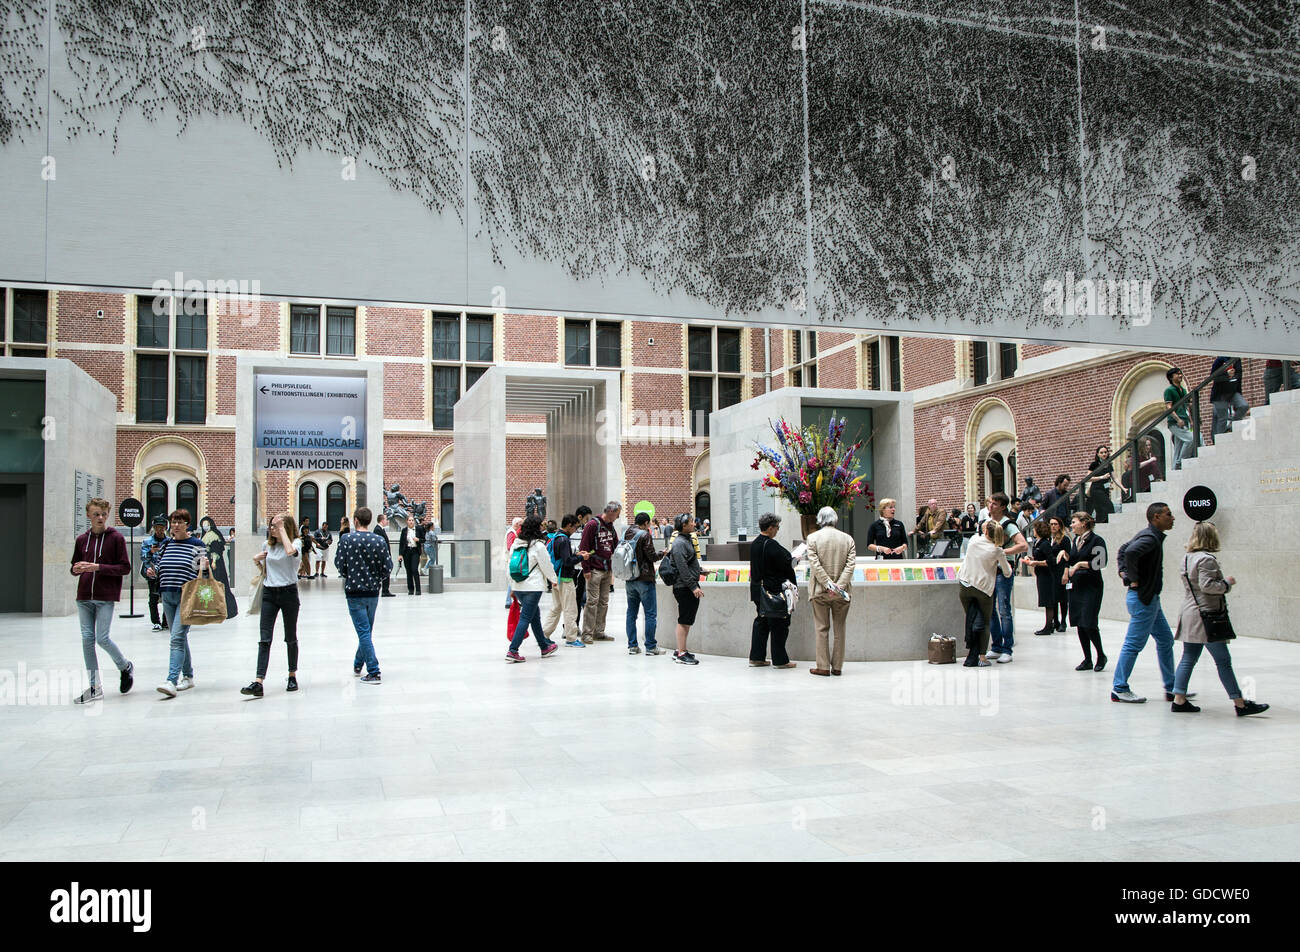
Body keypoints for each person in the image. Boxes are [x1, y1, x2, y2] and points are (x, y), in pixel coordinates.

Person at [1170, 521, 1269, 716]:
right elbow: (1208, 586)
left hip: (1191, 611)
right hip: (1206, 617)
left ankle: (1179, 699)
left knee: (1188, 657)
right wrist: (1226, 583)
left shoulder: (1187, 557)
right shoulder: (1207, 559)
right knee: (1223, 661)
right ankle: (1240, 704)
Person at [1111, 502, 1179, 704]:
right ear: (1156, 517)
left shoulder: (1148, 535)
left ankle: (1172, 687)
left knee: (1166, 639)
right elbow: (1130, 552)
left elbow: (1123, 549)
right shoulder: (1150, 538)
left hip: (1148, 599)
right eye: (1168, 514)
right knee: (1133, 644)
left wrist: (1124, 572)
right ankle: (1119, 687)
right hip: (1143, 599)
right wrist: (1131, 577)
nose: (1172, 518)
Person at [70, 497, 134, 704]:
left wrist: (98, 567)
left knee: (102, 638)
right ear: (88, 515)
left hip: (105, 596)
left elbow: (125, 568)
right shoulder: (81, 540)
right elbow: (74, 566)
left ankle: (124, 666)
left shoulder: (116, 538)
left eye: (103, 514)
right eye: (96, 514)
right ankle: (94, 686)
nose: (100, 518)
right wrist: (76, 569)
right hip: (84, 597)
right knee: (87, 640)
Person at [147, 509, 209, 698]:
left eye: (179, 522)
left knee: (176, 637)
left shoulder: (196, 544)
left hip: (186, 596)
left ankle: (171, 680)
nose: (175, 525)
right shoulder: (167, 544)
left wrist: (205, 566)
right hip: (167, 594)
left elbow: (202, 572)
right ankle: (188, 677)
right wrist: (154, 571)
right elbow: (160, 564)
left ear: (187, 525)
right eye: (173, 522)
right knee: (179, 637)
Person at [242, 513, 302, 698]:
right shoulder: (266, 545)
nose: (272, 528)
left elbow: (291, 553)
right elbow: (266, 571)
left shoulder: (296, 544)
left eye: (275, 526)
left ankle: (292, 675)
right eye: (271, 525)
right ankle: (259, 681)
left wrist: (282, 529)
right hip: (269, 593)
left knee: (290, 636)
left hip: (289, 593)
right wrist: (256, 561)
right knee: (264, 638)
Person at [335, 507, 391, 684]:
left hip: (354, 592)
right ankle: (358, 663)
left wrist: (349, 575)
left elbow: (339, 563)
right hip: (373, 592)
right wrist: (376, 579)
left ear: (356, 521)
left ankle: (374, 671)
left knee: (364, 631)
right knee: (366, 630)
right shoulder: (379, 540)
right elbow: (387, 567)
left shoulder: (347, 539)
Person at [806, 506, 855, 677]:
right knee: (840, 629)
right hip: (842, 593)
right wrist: (838, 586)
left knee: (822, 628)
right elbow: (850, 566)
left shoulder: (812, 538)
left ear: (820, 519)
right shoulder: (848, 539)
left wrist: (828, 585)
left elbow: (815, 565)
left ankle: (823, 666)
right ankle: (838, 667)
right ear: (835, 519)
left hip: (820, 591)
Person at [504, 515, 560, 663]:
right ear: (537, 528)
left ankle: (544, 647)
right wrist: (554, 580)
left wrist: (513, 587)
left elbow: (510, 565)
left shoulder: (517, 543)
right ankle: (513, 650)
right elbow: (546, 565)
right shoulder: (538, 546)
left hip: (518, 585)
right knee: (525, 618)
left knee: (534, 616)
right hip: (533, 587)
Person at [956, 521, 1012, 667]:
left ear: (986, 531)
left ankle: (971, 652)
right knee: (985, 623)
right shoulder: (997, 550)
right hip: (983, 589)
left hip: (965, 585)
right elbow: (1007, 572)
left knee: (971, 618)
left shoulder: (973, 541)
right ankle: (981, 656)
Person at [748, 512, 797, 669]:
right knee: (779, 623)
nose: (777, 530)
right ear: (769, 528)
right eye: (776, 527)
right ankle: (780, 660)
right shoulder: (771, 544)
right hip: (772, 591)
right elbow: (787, 562)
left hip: (757, 590)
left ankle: (756, 657)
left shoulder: (755, 543)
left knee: (762, 622)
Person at [984, 492, 1028, 663]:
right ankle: (996, 645)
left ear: (1003, 506)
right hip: (989, 569)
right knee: (990, 609)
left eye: (995, 503)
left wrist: (1003, 552)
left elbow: (1022, 544)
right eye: (990, 503)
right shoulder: (986, 523)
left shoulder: (1008, 525)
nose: (991, 506)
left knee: (1003, 609)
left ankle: (1007, 648)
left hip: (1003, 570)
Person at [1064, 511, 1107, 672]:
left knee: (1089, 622)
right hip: (1076, 586)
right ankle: (1087, 658)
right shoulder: (1075, 540)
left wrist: (1080, 564)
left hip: (1091, 586)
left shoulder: (1097, 540)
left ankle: (1100, 655)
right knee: (1079, 623)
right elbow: (1073, 560)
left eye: (1074, 522)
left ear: (1084, 523)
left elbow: (1101, 562)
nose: (1072, 525)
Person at [579, 501, 621, 644]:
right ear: (611, 512)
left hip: (607, 569)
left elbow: (615, 545)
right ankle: (587, 633)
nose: (618, 516)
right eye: (617, 514)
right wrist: (586, 569)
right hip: (594, 569)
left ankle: (599, 631)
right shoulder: (592, 525)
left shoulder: (611, 527)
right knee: (592, 602)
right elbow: (583, 547)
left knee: (604, 602)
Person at [623, 511, 662, 655]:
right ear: (646, 523)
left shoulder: (627, 532)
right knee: (650, 614)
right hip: (644, 579)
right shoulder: (645, 535)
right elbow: (651, 556)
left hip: (630, 579)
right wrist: (662, 553)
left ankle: (632, 646)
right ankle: (651, 647)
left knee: (631, 614)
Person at [667, 513, 703, 665]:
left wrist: (700, 571)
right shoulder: (680, 544)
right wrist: (693, 586)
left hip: (687, 585)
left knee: (687, 619)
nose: (694, 524)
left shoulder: (685, 540)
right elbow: (682, 568)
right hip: (684, 587)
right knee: (684, 620)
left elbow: (688, 564)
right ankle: (682, 653)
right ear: (684, 525)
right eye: (691, 522)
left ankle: (680, 650)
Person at [542, 514, 584, 648]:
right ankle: (571, 638)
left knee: (556, 608)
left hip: (555, 578)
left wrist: (575, 555)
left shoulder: (555, 537)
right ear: (569, 525)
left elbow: (562, 557)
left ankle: (544, 634)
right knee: (570, 609)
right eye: (575, 527)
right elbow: (567, 561)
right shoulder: (564, 540)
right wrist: (581, 558)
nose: (575, 530)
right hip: (565, 578)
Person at [199, 516, 239, 618]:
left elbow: (216, 549)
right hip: (206, 563)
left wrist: (214, 562)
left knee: (218, 584)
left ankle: (225, 609)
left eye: (207, 525)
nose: (205, 527)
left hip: (214, 564)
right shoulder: (204, 536)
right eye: (203, 525)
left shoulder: (213, 536)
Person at [1027, 520, 1058, 637]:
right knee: (1046, 601)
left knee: (1048, 601)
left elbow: (1050, 561)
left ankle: (1048, 626)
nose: (1033, 531)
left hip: (1047, 575)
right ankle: (1049, 625)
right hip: (1041, 574)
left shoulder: (1044, 544)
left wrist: (1036, 562)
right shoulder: (1038, 543)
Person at [1163, 367, 1195, 470]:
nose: (1180, 375)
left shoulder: (1184, 390)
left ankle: (1174, 470)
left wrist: (1190, 420)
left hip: (1184, 421)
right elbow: (1169, 407)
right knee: (1190, 439)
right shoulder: (1169, 390)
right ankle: (1181, 462)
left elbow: (1186, 407)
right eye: (1177, 374)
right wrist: (1178, 419)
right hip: (1175, 423)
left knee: (1178, 447)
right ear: (1171, 378)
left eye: (1180, 373)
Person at [141, 515, 169, 631]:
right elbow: (143, 558)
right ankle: (156, 622)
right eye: (157, 527)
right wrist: (151, 552)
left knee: (167, 598)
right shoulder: (147, 542)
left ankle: (166, 621)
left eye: (161, 527)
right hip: (152, 574)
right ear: (153, 527)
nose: (159, 530)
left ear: (165, 528)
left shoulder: (169, 542)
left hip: (166, 574)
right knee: (153, 598)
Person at [1209, 356, 1248, 438]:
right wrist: (1226, 374)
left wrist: (1239, 393)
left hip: (1233, 392)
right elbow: (1213, 377)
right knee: (1223, 418)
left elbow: (1239, 377)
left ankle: (1232, 425)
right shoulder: (1219, 360)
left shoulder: (1237, 360)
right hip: (1220, 394)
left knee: (1243, 406)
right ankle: (1220, 439)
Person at [1086, 445, 1121, 523]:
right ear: (1098, 454)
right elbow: (1088, 478)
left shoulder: (1109, 464)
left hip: (1105, 489)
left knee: (1100, 511)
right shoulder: (1094, 464)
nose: (1104, 454)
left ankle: (1101, 525)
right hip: (1096, 489)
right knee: (1109, 506)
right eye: (1101, 452)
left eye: (1105, 452)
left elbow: (1115, 478)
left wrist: (1123, 488)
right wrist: (1102, 477)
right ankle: (1111, 524)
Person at [1048, 515, 1071, 631]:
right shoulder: (1048, 539)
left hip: (1061, 570)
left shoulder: (1065, 539)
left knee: (1062, 597)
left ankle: (1063, 621)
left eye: (1055, 524)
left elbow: (1068, 557)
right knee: (1053, 598)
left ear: (1060, 526)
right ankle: (1055, 620)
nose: (1053, 526)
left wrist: (1066, 573)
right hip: (1051, 571)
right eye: (1051, 524)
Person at [398, 516, 424, 595]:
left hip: (415, 551)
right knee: (408, 571)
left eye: (412, 520)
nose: (411, 522)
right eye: (409, 520)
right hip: (406, 552)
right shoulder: (404, 531)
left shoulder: (419, 529)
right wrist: (400, 554)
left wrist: (418, 540)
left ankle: (418, 589)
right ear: (407, 521)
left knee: (414, 569)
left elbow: (424, 539)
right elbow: (401, 543)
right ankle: (411, 589)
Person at [373, 512, 395, 597]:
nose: (387, 521)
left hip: (385, 555)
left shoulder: (381, 529)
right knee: (385, 572)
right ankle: (385, 590)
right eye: (386, 519)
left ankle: (386, 590)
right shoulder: (378, 530)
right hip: (382, 556)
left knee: (387, 572)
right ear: (382, 520)